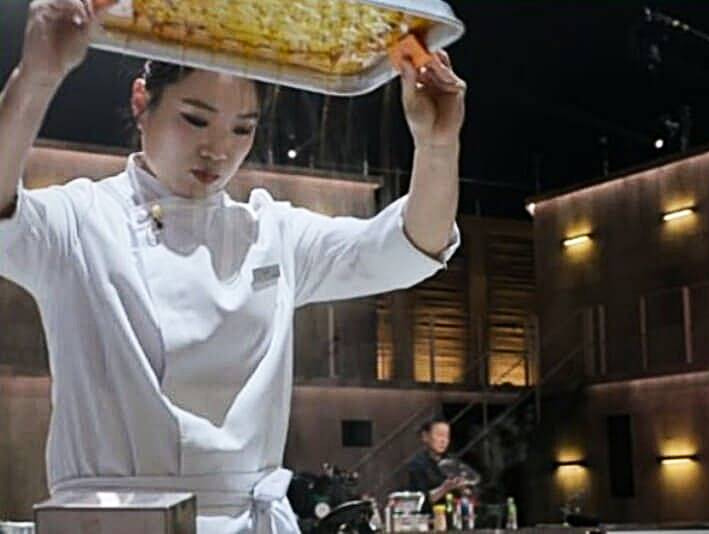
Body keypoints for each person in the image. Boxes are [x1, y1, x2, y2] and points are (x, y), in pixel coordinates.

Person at [0, 0, 466, 532]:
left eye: (242, 129)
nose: (217, 151)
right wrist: (37, 76)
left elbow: (409, 248)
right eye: (195, 119)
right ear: (141, 101)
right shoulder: (79, 221)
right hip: (108, 521)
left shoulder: (270, 232)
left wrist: (437, 145)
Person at [406, 418, 468, 513]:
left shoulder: (452, 461)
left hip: (452, 513)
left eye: (447, 436)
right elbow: (420, 500)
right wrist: (444, 488)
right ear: (425, 436)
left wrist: (463, 489)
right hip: (429, 516)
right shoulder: (417, 464)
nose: (444, 440)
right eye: (439, 435)